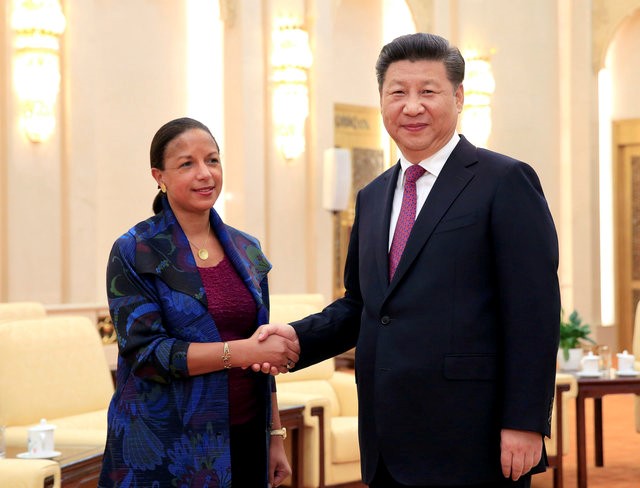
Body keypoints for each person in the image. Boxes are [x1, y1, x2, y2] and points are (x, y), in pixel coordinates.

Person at [258, 33, 560, 487]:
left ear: (458, 98)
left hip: (472, 438)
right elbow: (363, 305)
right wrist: (298, 338)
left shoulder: (504, 181)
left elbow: (533, 312)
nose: (412, 106)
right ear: (382, 101)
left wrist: (525, 421)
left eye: (428, 91)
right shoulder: (374, 195)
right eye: (397, 92)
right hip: (387, 438)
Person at [99, 117, 299, 487]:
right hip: (167, 444)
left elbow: (263, 346)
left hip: (245, 435)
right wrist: (240, 352)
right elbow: (146, 355)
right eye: (187, 163)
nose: (205, 174)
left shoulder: (247, 248)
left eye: (213, 160)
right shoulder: (135, 249)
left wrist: (275, 436)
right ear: (159, 176)